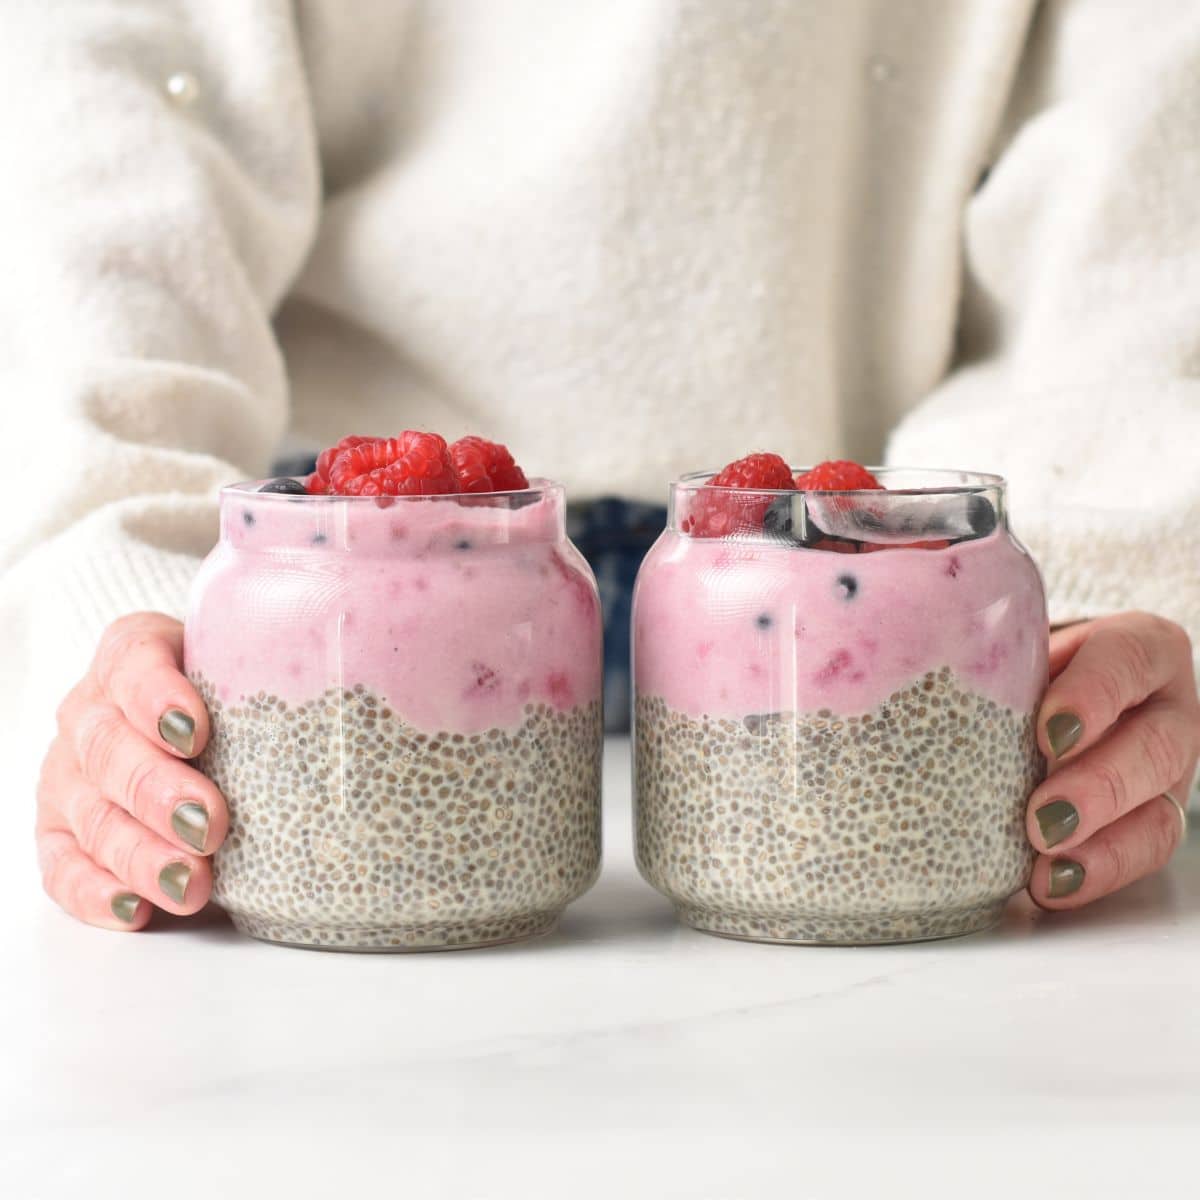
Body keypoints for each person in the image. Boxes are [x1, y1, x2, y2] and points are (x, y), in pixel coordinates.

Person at [4, 0, 1198, 932]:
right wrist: (122, 593)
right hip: (323, 572)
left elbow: (1145, 157)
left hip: (860, 562)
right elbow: (103, 120)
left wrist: (1090, 601)